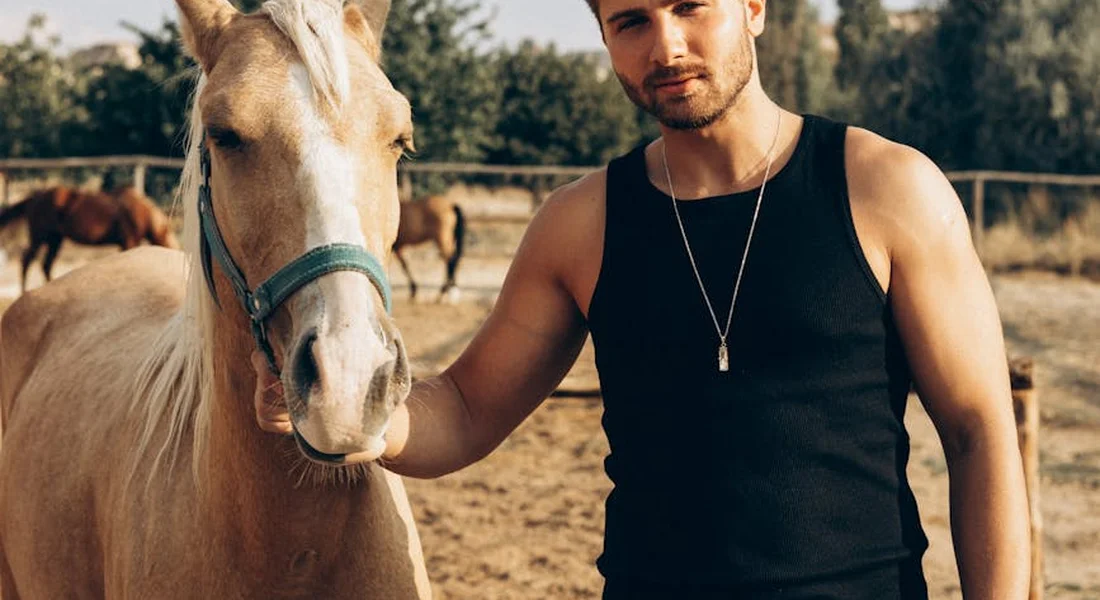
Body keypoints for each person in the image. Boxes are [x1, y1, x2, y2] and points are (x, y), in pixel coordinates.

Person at [253, 0, 1031, 597]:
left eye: (691, 7)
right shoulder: (578, 225)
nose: (666, 46)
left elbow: (977, 431)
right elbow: (463, 409)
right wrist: (349, 408)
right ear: (604, 37)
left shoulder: (887, 188)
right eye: (631, 21)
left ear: (753, 9)